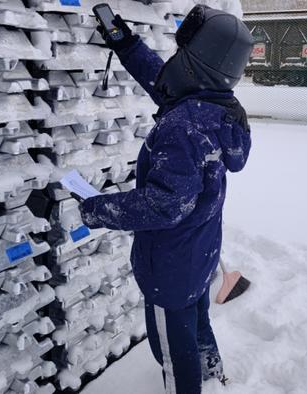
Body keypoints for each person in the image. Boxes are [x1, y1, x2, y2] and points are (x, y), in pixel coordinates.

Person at [80, 5, 253, 394]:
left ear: (196, 63)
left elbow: (164, 205)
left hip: (170, 266)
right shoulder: (220, 109)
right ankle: (213, 377)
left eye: (182, 55)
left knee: (172, 351)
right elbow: (164, 82)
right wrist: (124, 42)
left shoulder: (182, 127)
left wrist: (94, 209)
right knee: (197, 320)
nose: (175, 61)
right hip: (200, 251)